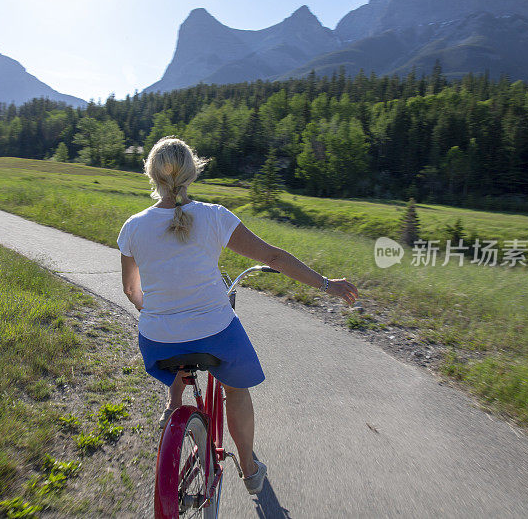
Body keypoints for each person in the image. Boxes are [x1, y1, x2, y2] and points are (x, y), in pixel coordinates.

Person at [118, 136, 358, 495]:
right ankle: (248, 467)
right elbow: (273, 258)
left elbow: (131, 291)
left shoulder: (133, 226)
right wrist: (328, 284)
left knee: (173, 349)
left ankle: (173, 405)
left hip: (157, 340)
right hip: (216, 332)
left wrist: (154, 310)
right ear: (192, 173)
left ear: (151, 175)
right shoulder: (215, 217)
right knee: (236, 389)